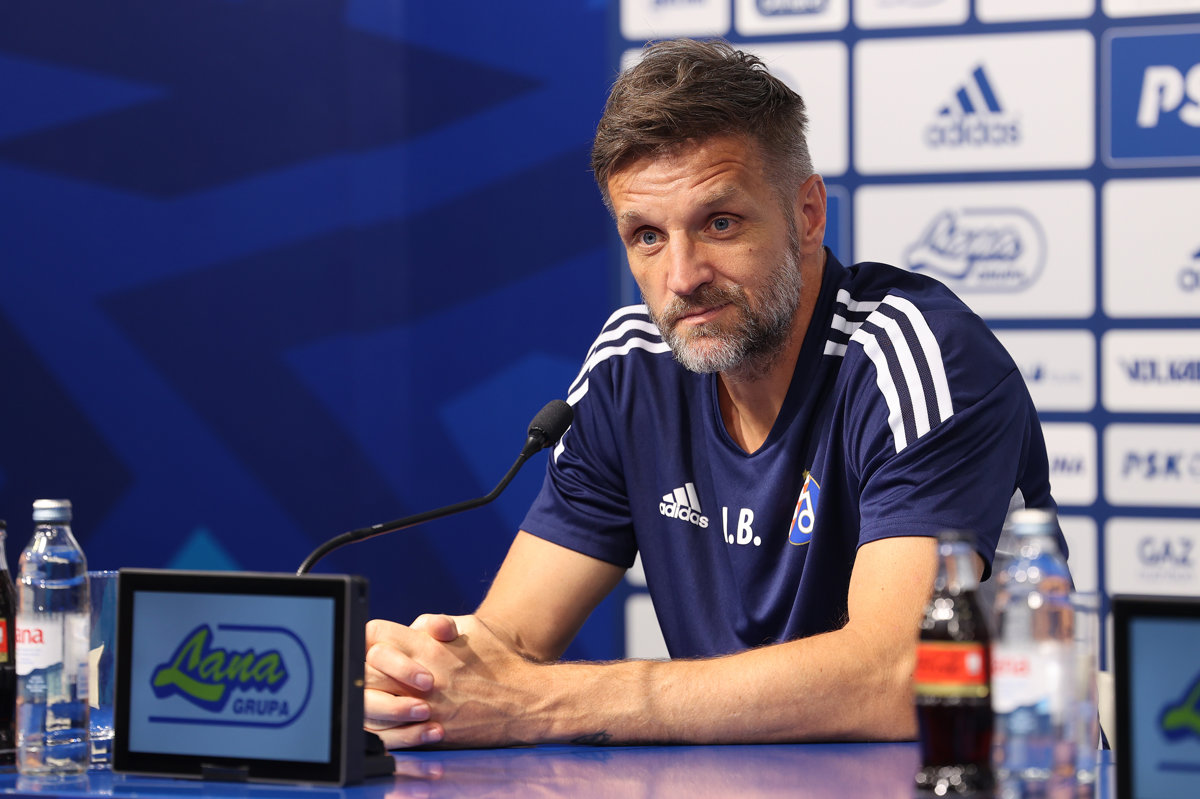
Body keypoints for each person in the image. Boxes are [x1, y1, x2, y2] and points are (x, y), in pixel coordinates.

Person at [364, 38, 1061, 749]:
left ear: (808, 214)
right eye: (647, 236)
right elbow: (509, 640)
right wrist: (420, 680)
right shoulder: (631, 368)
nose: (682, 276)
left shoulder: (915, 354)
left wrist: (542, 703)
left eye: (719, 223)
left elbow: (899, 672)